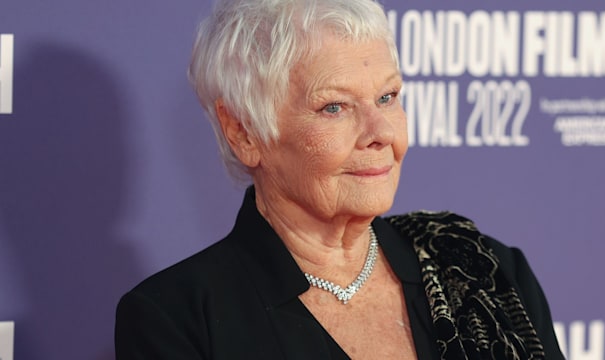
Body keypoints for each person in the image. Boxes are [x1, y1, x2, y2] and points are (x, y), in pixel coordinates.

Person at [115, 0, 565, 358]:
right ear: (245, 133)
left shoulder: (485, 272)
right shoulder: (178, 320)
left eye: (388, 97)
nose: (381, 133)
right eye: (335, 107)